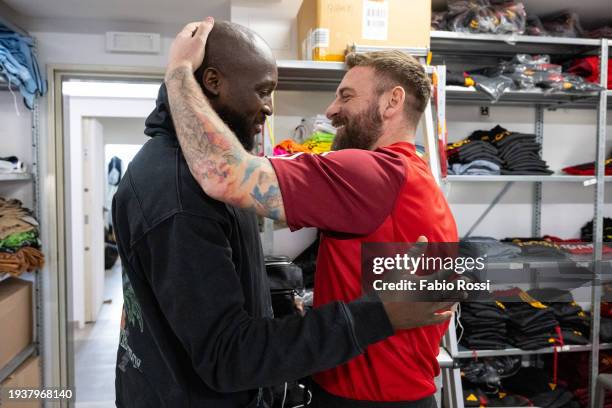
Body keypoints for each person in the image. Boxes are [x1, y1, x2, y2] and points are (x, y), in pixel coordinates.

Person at [113, 19, 459, 408]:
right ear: (210, 82)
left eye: (346, 96)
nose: (330, 111)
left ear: (392, 101)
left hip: (371, 398)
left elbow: (225, 173)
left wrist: (178, 73)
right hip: (391, 390)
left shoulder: (374, 173)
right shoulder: (415, 177)